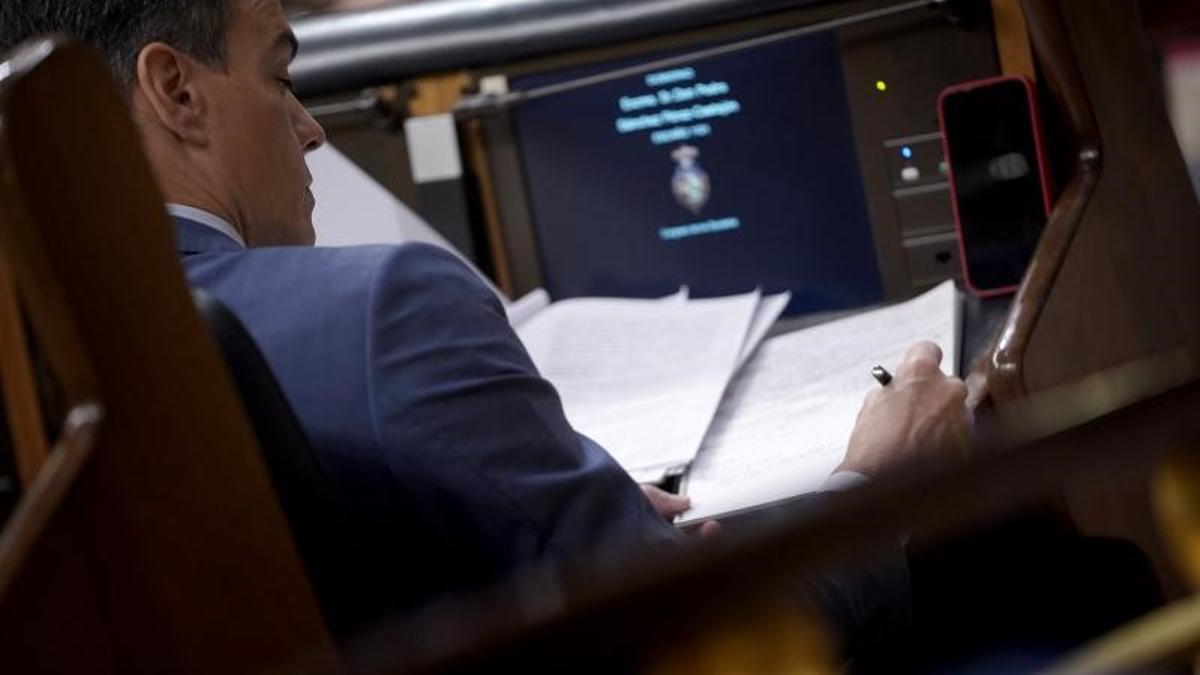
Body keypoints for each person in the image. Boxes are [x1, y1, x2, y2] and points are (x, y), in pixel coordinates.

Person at [0, 0, 968, 655]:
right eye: (281, 76)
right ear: (175, 92)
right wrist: (875, 488)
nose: (311, 129)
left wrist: (538, 508)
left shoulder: (38, 381)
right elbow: (712, 645)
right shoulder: (387, 308)